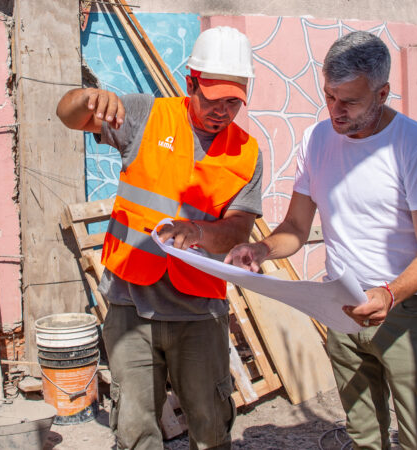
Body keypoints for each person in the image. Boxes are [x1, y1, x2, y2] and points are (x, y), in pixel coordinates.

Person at [225, 31, 417, 449]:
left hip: (403, 311)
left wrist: (388, 293)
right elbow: (295, 226)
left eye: (349, 101)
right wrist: (260, 249)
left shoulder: (414, 146)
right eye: (329, 96)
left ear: (382, 93)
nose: (335, 111)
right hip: (340, 308)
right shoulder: (316, 140)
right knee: (363, 435)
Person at [56, 26, 262, 450]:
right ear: (191, 83)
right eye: (213, 97)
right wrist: (86, 98)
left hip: (199, 311)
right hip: (130, 304)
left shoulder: (247, 152)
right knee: (135, 429)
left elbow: (239, 229)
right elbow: (68, 115)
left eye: (234, 101)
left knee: (210, 427)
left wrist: (200, 231)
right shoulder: (145, 115)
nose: (223, 111)